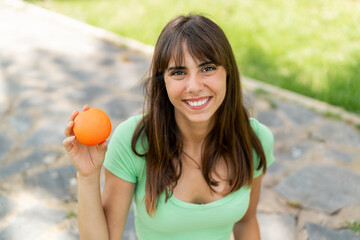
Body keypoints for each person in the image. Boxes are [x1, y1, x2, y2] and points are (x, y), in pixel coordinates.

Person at [63, 14, 274, 240]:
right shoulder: (133, 141)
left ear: (227, 72)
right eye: (179, 72)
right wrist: (87, 176)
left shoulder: (255, 138)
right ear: (163, 81)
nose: (194, 86)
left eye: (207, 68)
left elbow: (246, 222)